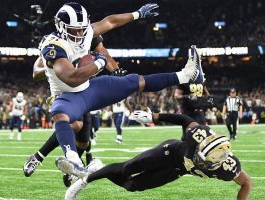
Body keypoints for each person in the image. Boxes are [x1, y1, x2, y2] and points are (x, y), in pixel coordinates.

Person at [38, 2, 204, 178]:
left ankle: (187, 75)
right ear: (61, 26)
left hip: (90, 89)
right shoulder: (53, 45)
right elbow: (71, 79)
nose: (79, 34)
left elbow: (109, 22)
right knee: (60, 113)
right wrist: (100, 63)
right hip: (69, 95)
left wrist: (137, 14)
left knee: (135, 81)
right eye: (74, 30)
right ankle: (74, 162)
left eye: (82, 29)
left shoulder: (86, 31)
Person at [64, 110, 252, 200]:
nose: (199, 159)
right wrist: (154, 116)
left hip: (177, 170)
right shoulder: (198, 135)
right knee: (126, 168)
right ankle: (85, 180)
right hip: (169, 152)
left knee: (133, 186)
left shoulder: (228, 167)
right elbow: (184, 119)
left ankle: (97, 167)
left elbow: (246, 183)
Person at [23, 34, 122, 179]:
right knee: (75, 124)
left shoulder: (86, 35)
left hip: (84, 91)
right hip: (64, 93)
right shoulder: (55, 44)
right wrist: (56, 66)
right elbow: (35, 73)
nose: (77, 33)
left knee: (83, 142)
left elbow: (102, 49)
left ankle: (71, 169)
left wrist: (114, 69)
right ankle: (38, 157)